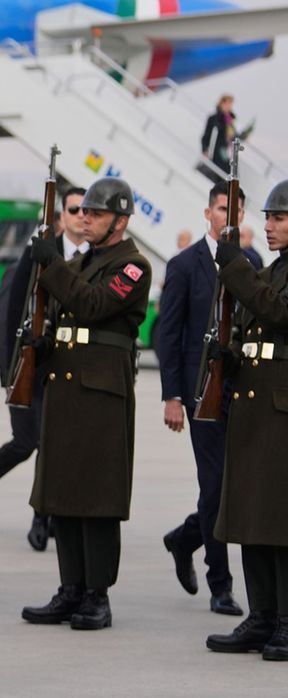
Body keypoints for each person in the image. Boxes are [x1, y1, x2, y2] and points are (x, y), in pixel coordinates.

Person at [21, 176, 150, 631]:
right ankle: (70, 587)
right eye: (82, 212)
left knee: (96, 497)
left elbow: (94, 306)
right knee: (65, 494)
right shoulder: (78, 264)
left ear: (120, 219)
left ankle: (97, 594)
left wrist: (52, 267)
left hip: (100, 395)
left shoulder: (133, 267)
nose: (84, 219)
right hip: (67, 388)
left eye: (94, 213)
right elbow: (61, 312)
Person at [0, 186, 88, 551]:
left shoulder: (95, 263)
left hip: (69, 373)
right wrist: (9, 374)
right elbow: (7, 321)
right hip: (32, 371)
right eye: (74, 209)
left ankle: (42, 516)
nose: (81, 216)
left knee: (53, 444)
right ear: (61, 216)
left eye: (86, 210)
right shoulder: (31, 262)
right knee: (29, 441)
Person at [158, 182, 254, 617]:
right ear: (207, 213)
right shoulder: (184, 265)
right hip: (202, 394)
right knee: (215, 487)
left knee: (239, 486)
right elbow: (169, 334)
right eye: (221, 209)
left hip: (245, 391)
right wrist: (172, 396)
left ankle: (184, 538)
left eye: (235, 210)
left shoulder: (252, 262)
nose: (228, 217)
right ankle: (221, 584)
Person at [204, 181, 288, 661]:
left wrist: (235, 265)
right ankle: (261, 616)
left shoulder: (269, 277)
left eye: (279, 218)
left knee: (279, 521)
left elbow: (277, 314)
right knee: (254, 518)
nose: (269, 226)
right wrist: (231, 357)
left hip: (280, 412)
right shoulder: (274, 270)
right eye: (269, 217)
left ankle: (285, 620)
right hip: (257, 408)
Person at [201, 94, 253, 176]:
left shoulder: (231, 120)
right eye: (227, 104)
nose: (229, 106)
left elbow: (234, 137)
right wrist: (205, 149)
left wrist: (244, 135)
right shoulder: (214, 118)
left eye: (230, 104)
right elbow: (206, 135)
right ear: (221, 103)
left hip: (229, 152)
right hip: (217, 151)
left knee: (230, 173)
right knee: (218, 172)